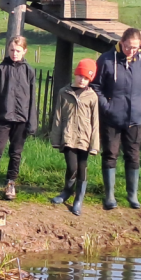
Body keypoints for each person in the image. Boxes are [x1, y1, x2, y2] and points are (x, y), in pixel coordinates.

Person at [91, 27, 141, 210]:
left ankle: (132, 195)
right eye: (128, 47)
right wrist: (107, 107)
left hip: (135, 118)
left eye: (135, 47)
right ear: (121, 43)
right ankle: (109, 196)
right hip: (111, 117)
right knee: (110, 154)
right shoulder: (106, 59)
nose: (131, 51)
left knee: (133, 156)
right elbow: (96, 86)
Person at [0, 36, 38, 201]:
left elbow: (33, 99)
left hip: (21, 119)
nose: (14, 53)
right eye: (11, 50)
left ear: (24, 51)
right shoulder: (0, 69)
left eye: (18, 51)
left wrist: (32, 122)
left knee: (16, 153)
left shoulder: (29, 71)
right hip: (3, 118)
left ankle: (10, 183)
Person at [50, 59, 100, 216]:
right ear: (75, 73)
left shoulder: (92, 97)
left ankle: (79, 199)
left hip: (85, 140)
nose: (82, 80)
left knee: (82, 169)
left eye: (86, 78)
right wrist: (55, 139)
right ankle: (67, 191)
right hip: (68, 137)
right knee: (72, 167)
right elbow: (57, 117)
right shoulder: (64, 93)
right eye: (80, 76)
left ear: (89, 80)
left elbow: (95, 122)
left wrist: (94, 145)